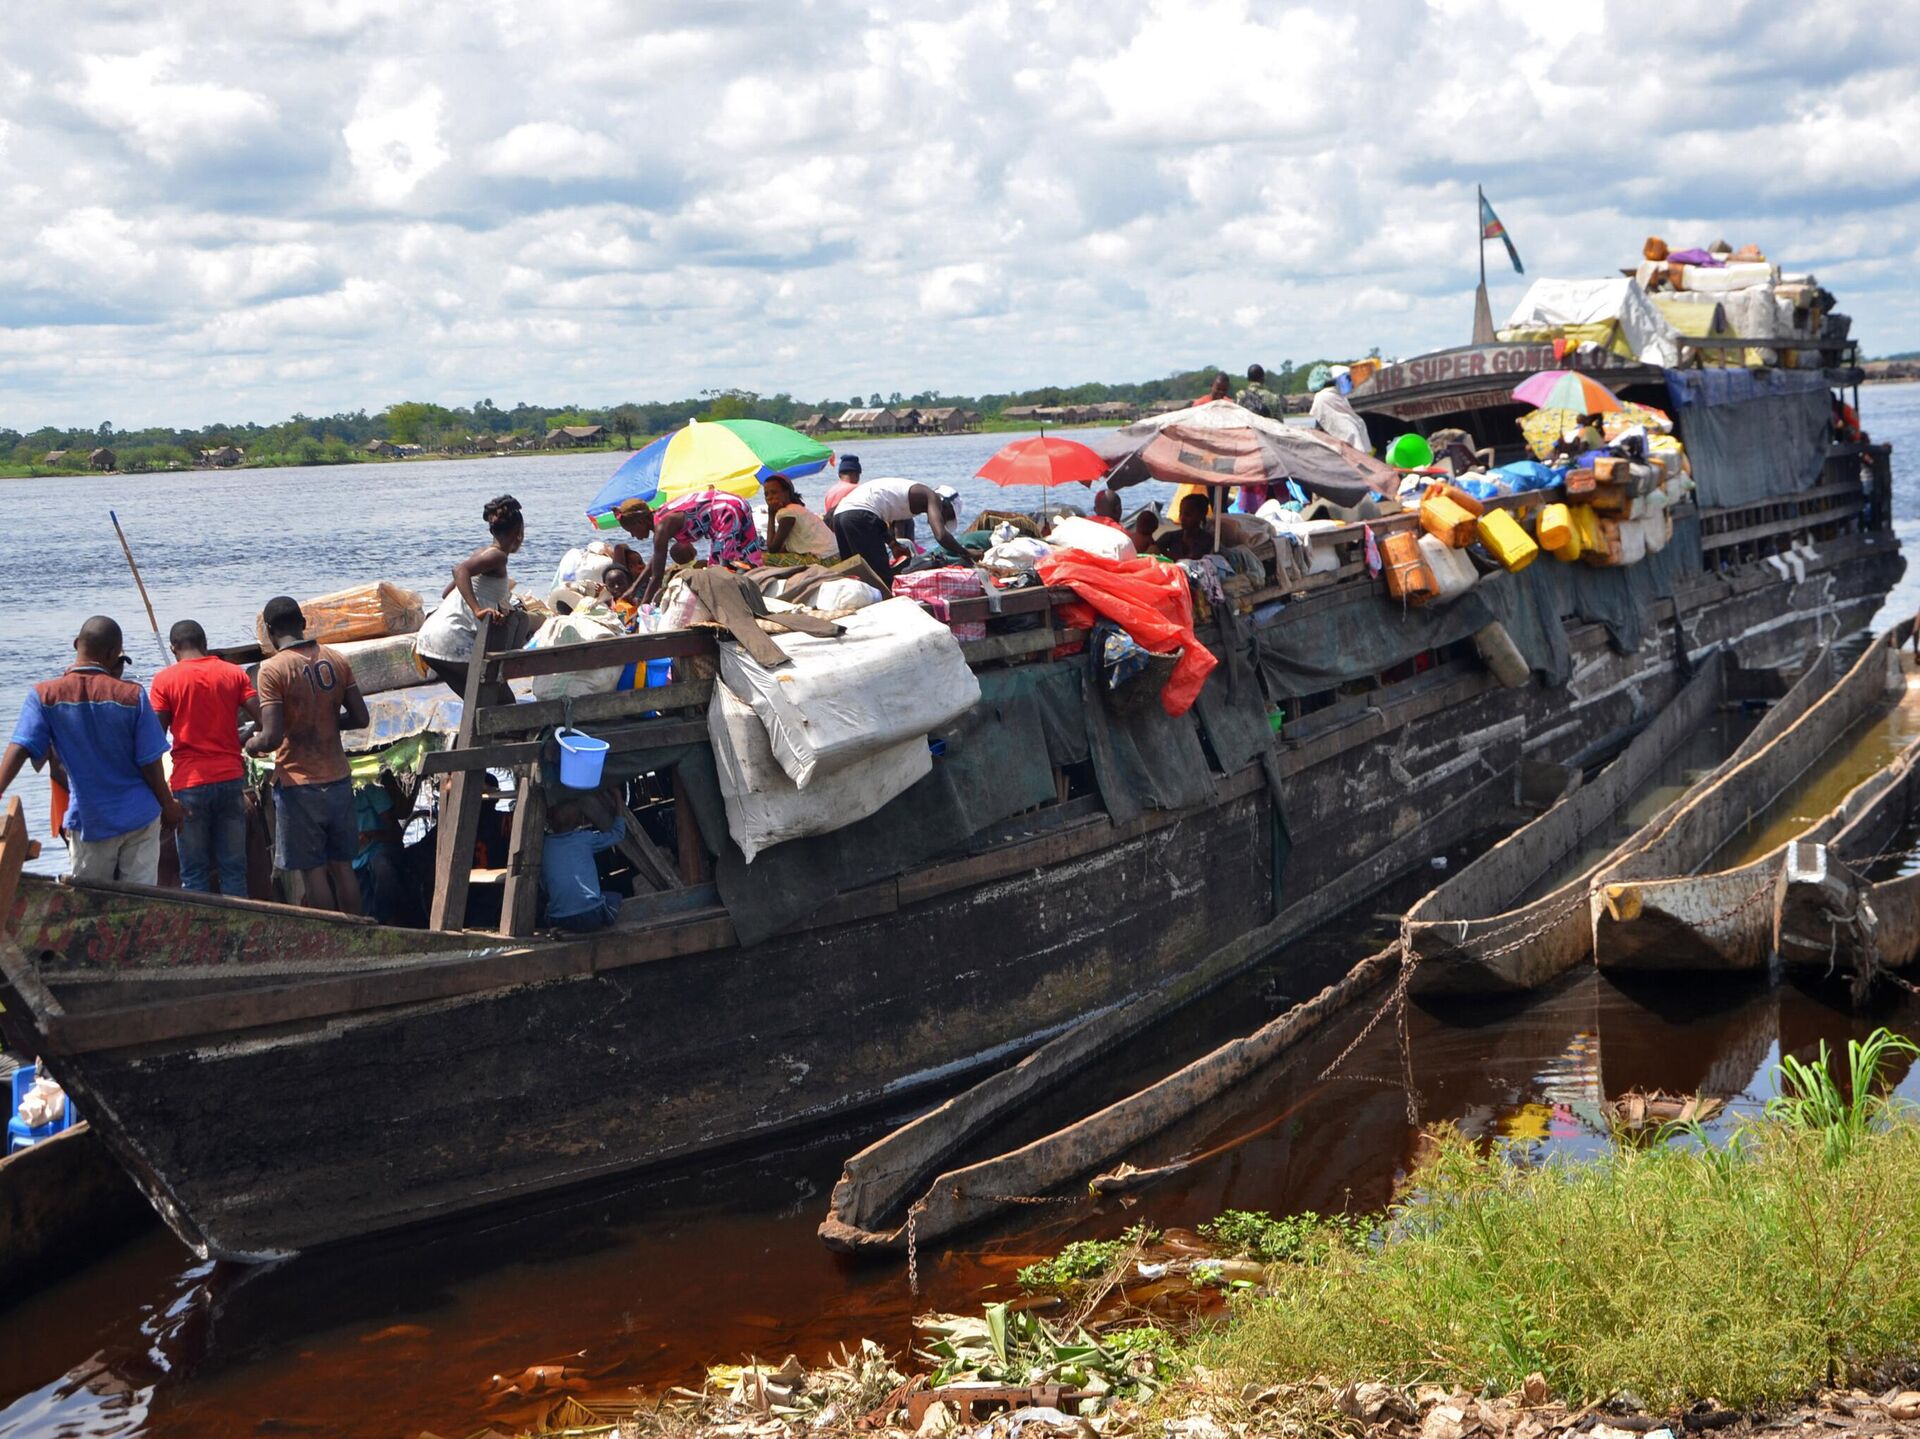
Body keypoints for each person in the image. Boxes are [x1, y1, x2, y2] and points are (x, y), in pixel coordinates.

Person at [0, 616, 181, 884]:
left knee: (90, 902)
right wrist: (168, 805)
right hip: (140, 816)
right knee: (142, 901)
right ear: (111, 654)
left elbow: (21, 747)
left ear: (76, 644)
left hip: (91, 821)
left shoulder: (44, 696)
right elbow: (150, 762)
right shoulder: (132, 696)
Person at [246, 595, 369, 915]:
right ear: (303, 624)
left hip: (299, 785)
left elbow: (271, 738)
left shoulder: (272, 670)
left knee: (313, 872)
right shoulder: (337, 659)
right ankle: (359, 935)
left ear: (270, 632)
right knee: (343, 868)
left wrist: (250, 743)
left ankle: (330, 941)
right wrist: (325, 720)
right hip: (339, 779)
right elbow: (360, 718)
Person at [148, 618, 259, 896]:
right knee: (234, 869)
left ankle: (200, 937)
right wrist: (239, 740)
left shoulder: (165, 680)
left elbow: (154, 739)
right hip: (231, 779)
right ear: (205, 644)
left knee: (194, 873)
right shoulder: (232, 673)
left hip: (190, 784)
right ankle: (239, 933)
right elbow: (264, 718)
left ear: (173, 648)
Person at [415, 495, 524, 705]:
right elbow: (460, 571)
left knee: (477, 703)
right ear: (518, 532)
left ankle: (478, 738)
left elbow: (448, 592)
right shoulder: (498, 556)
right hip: (450, 640)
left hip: (429, 639)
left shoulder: (482, 553)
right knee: (503, 702)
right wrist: (477, 609)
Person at [614, 488, 765, 604]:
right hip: (732, 503)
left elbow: (658, 576)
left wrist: (643, 607)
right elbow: (655, 561)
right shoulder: (660, 519)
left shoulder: (662, 527)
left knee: (718, 572)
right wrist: (633, 589)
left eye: (631, 531)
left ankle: (740, 601)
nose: (633, 536)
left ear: (639, 522)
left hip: (726, 510)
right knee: (745, 554)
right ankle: (757, 588)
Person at [828, 478, 971, 589]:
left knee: (855, 574)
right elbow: (941, 536)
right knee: (882, 580)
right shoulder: (931, 496)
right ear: (944, 503)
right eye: (948, 515)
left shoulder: (909, 497)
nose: (943, 519)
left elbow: (877, 520)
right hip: (858, 515)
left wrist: (893, 544)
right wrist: (966, 552)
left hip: (841, 516)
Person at [542, 799, 626, 933]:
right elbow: (618, 834)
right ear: (580, 821)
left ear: (549, 821)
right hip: (591, 916)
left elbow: (544, 885)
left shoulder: (544, 846)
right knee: (614, 897)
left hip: (559, 919)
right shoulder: (586, 838)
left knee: (550, 908)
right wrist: (618, 798)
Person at [763, 475, 838, 564]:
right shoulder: (797, 509)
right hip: (834, 555)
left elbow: (772, 549)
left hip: (824, 560)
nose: (769, 497)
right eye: (766, 494)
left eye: (774, 492)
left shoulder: (787, 513)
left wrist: (771, 515)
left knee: (764, 558)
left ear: (786, 493)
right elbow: (785, 547)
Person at [1308, 365, 1372, 453]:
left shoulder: (1321, 397)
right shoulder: (1337, 394)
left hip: (1348, 445)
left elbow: (1323, 421)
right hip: (1356, 440)